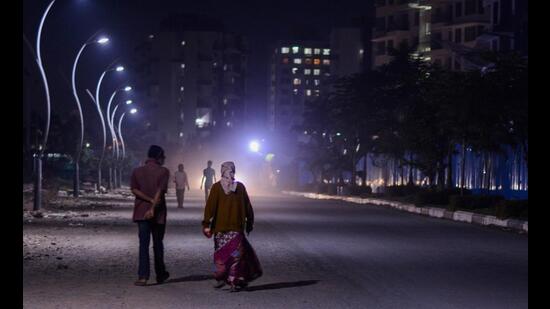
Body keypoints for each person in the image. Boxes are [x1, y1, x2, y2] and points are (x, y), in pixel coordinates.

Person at [202, 161, 262, 292]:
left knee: (221, 256)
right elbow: (248, 207)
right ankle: (233, 280)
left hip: (220, 231)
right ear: (233, 171)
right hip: (236, 231)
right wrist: (250, 222)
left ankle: (220, 277)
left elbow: (210, 207)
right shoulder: (240, 187)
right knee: (236, 256)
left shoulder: (217, 187)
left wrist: (206, 224)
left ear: (221, 171)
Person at [130, 145, 170, 286]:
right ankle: (160, 275)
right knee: (158, 244)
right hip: (158, 214)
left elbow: (134, 189)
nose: (164, 159)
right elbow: (160, 190)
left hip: (141, 213)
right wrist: (153, 206)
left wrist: (148, 200)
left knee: (143, 245)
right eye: (163, 156)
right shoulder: (164, 171)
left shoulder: (137, 171)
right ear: (159, 156)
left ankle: (143, 276)